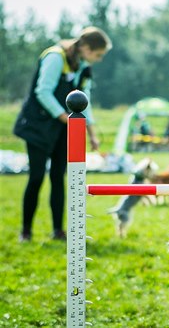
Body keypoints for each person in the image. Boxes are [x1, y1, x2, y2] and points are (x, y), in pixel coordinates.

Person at [13, 26, 112, 242]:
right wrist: (66, 118)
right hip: (38, 126)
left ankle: (58, 230)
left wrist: (91, 131)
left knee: (58, 177)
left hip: (63, 129)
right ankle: (26, 231)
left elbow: (84, 100)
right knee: (36, 177)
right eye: (98, 54)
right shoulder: (55, 57)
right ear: (85, 47)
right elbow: (43, 91)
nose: (100, 59)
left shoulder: (84, 67)